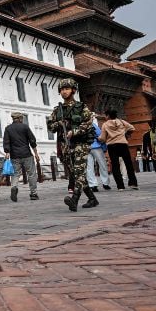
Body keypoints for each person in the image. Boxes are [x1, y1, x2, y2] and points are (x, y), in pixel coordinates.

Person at [47, 78, 97, 211]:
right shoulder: (58, 110)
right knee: (76, 173)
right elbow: (50, 126)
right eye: (62, 89)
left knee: (80, 171)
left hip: (81, 143)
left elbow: (88, 122)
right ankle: (92, 199)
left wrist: (74, 131)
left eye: (67, 89)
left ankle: (74, 199)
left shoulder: (81, 107)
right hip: (66, 146)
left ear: (73, 90)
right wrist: (60, 123)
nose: (64, 92)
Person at [3, 112, 40, 201]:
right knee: (31, 174)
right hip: (26, 154)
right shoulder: (25, 127)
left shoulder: (8, 128)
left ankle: (14, 187)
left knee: (16, 174)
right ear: (20, 118)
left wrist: (7, 153)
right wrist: (36, 154)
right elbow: (32, 141)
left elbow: (6, 142)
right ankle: (33, 194)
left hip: (14, 155)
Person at [99, 109, 138, 191]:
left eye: (106, 115)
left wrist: (99, 138)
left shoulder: (105, 125)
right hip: (123, 144)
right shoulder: (122, 121)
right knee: (128, 164)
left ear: (108, 116)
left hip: (112, 146)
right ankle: (133, 183)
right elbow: (132, 128)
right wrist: (125, 133)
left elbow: (102, 138)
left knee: (115, 165)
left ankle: (120, 186)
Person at [86, 115, 111, 192]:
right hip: (96, 147)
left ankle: (93, 185)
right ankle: (105, 183)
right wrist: (104, 148)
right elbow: (101, 136)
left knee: (89, 167)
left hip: (86, 148)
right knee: (102, 165)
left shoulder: (80, 126)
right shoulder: (94, 126)